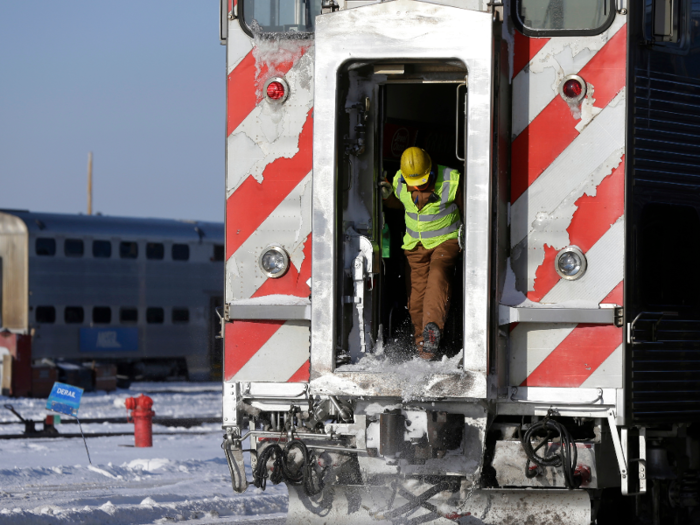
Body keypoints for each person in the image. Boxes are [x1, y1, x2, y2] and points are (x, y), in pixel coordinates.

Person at [380, 147, 463, 360]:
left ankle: (433, 331)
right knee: (416, 300)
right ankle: (425, 351)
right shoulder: (399, 179)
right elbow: (401, 205)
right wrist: (387, 198)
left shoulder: (452, 180)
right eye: (413, 183)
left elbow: (471, 211)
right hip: (414, 247)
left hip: (445, 242)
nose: (417, 187)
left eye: (422, 182)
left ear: (431, 169)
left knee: (437, 277)